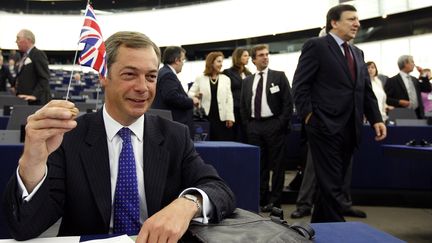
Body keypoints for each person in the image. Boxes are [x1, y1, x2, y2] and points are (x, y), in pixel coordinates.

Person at [3, 31, 235, 241]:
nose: (143, 87)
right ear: (104, 76)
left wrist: (186, 204)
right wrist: (32, 162)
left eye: (151, 77)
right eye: (129, 74)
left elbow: (219, 189)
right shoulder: (70, 137)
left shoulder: (175, 135)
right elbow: (25, 226)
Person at [292, 4, 386, 222]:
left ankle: (322, 227)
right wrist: (309, 118)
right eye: (351, 19)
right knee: (331, 182)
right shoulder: (316, 46)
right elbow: (300, 86)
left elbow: (365, 91)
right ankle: (337, 227)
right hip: (323, 126)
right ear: (334, 22)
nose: (357, 24)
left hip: (350, 127)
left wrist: (376, 119)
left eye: (357, 19)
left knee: (334, 181)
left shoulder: (357, 52)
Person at [240, 44, 293, 212]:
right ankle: (261, 198)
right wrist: (248, 125)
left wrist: (280, 123)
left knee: (277, 165)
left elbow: (288, 103)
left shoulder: (279, 76)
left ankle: (275, 201)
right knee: (259, 165)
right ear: (254, 60)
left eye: (267, 54)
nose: (265, 57)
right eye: (261, 55)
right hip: (254, 126)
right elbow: (243, 105)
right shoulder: (247, 81)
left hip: (274, 125)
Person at [152, 46, 199, 139]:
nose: (183, 63)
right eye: (183, 60)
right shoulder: (168, 74)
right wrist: (191, 101)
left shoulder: (163, 72)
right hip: (173, 126)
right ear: (177, 60)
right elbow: (170, 96)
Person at [188, 51, 235, 141]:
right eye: (219, 61)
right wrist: (195, 97)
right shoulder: (200, 78)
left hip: (222, 118)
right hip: (205, 117)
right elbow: (189, 93)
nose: (221, 64)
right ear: (211, 62)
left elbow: (229, 99)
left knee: (221, 143)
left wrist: (230, 117)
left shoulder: (226, 79)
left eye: (222, 62)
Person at [14, 29, 51, 105]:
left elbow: (44, 77)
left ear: (28, 40)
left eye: (18, 38)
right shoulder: (25, 56)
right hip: (25, 101)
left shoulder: (38, 54)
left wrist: (34, 95)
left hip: (36, 103)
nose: (16, 41)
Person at [223, 48, 251, 142]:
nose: (248, 58)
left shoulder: (248, 73)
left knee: (246, 135)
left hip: (246, 109)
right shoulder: (227, 72)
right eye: (245, 55)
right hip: (233, 109)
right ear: (238, 57)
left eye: (248, 56)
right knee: (233, 136)